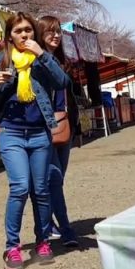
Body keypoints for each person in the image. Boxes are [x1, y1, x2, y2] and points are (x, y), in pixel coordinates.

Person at [0, 12, 68, 269]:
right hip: (11, 132)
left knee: (40, 190)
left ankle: (42, 242)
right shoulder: (1, 59)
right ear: (10, 36)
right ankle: (12, 247)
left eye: (29, 30)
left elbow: (63, 82)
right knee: (20, 186)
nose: (25, 35)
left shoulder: (42, 60)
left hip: (40, 132)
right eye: (19, 31)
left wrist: (42, 54)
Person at [29, 16, 79, 247]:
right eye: (50, 32)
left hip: (65, 127)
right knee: (53, 179)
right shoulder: (34, 63)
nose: (56, 35)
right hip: (45, 129)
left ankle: (48, 225)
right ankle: (63, 229)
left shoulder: (62, 62)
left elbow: (67, 92)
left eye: (58, 31)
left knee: (57, 179)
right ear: (40, 35)